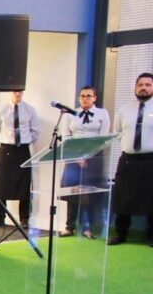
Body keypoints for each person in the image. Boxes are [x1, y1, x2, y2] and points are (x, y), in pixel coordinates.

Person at [110, 72, 153, 245]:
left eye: (148, 85)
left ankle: (151, 236)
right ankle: (120, 235)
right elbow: (117, 132)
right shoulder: (124, 110)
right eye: (140, 85)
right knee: (123, 199)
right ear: (135, 87)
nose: (144, 88)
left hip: (150, 161)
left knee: (151, 199)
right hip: (128, 161)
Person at [62, 85, 111, 239]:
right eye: (82, 96)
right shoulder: (70, 114)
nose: (85, 98)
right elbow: (66, 136)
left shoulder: (102, 113)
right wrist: (77, 156)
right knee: (72, 191)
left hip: (93, 158)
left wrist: (88, 155)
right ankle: (69, 227)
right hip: (74, 158)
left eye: (89, 96)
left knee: (89, 192)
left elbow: (103, 138)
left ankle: (87, 227)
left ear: (95, 98)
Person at [0, 91, 40, 227]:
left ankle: (24, 218)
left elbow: (36, 130)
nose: (17, 93)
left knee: (24, 184)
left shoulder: (30, 109)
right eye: (14, 91)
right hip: (6, 148)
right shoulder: (2, 109)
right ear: (11, 92)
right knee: (0, 183)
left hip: (22, 149)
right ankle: (0, 216)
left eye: (19, 91)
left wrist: (25, 141)